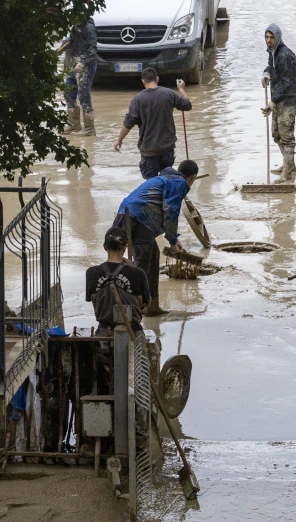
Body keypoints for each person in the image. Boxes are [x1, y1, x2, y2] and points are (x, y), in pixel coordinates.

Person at [113, 160, 200, 316]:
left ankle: (152, 305)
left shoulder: (164, 178)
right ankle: (135, 310)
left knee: (153, 257)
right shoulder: (179, 183)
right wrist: (172, 241)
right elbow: (171, 211)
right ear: (192, 177)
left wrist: (174, 237)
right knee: (143, 264)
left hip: (127, 214)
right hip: (139, 219)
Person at [86, 228, 151, 379]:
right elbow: (146, 306)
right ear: (125, 247)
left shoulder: (91, 273)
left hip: (103, 335)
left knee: (106, 380)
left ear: (104, 247)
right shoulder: (138, 273)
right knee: (139, 380)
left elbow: (92, 300)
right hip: (132, 334)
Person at [113, 68, 192, 180]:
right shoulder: (169, 93)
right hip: (167, 148)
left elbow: (128, 123)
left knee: (151, 184)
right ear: (157, 79)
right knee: (166, 180)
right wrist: (181, 89)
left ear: (143, 81)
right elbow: (187, 105)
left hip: (149, 151)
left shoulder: (138, 99)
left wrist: (119, 140)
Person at [262, 24, 296, 184]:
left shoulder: (285, 55)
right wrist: (266, 73)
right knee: (276, 133)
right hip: (278, 98)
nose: (269, 40)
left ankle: (287, 173)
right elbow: (273, 68)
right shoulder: (273, 53)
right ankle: (288, 165)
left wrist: (273, 101)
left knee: (287, 136)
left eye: (271, 37)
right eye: (267, 37)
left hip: (288, 99)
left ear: (277, 37)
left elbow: (287, 82)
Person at [63, 16, 98, 136]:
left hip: (85, 65)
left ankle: (89, 129)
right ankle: (74, 126)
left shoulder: (89, 28)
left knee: (83, 96)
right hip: (72, 62)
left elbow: (93, 50)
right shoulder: (75, 26)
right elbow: (71, 39)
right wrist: (65, 44)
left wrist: (83, 62)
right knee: (68, 93)